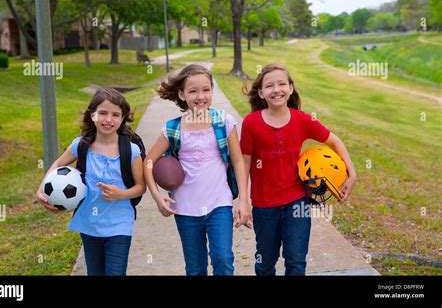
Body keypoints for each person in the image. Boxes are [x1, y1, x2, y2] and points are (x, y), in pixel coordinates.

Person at [240, 63, 357, 276]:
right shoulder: (251, 123)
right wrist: (243, 201)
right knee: (265, 263)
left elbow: (335, 142)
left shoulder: (303, 120)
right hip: (264, 205)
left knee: (296, 262)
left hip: (297, 202)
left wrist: (352, 174)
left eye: (282, 84)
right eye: (270, 86)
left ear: (291, 88)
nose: (277, 90)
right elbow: (244, 163)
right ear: (261, 92)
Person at [144, 64, 251, 276]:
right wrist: (157, 197)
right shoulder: (173, 129)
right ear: (182, 94)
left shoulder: (224, 122)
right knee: (195, 268)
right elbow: (148, 161)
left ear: (212, 91)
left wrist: (243, 200)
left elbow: (238, 161)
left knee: (223, 259)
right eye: (193, 91)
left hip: (219, 203)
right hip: (185, 208)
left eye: (206, 89)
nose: (200, 96)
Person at [36, 88, 146, 275]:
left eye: (115, 115)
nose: (108, 120)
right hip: (89, 223)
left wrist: (122, 194)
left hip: (119, 224)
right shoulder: (81, 145)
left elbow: (141, 187)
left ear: (123, 118)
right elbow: (57, 163)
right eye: (102, 113)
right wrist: (41, 189)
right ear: (92, 115)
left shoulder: (131, 151)